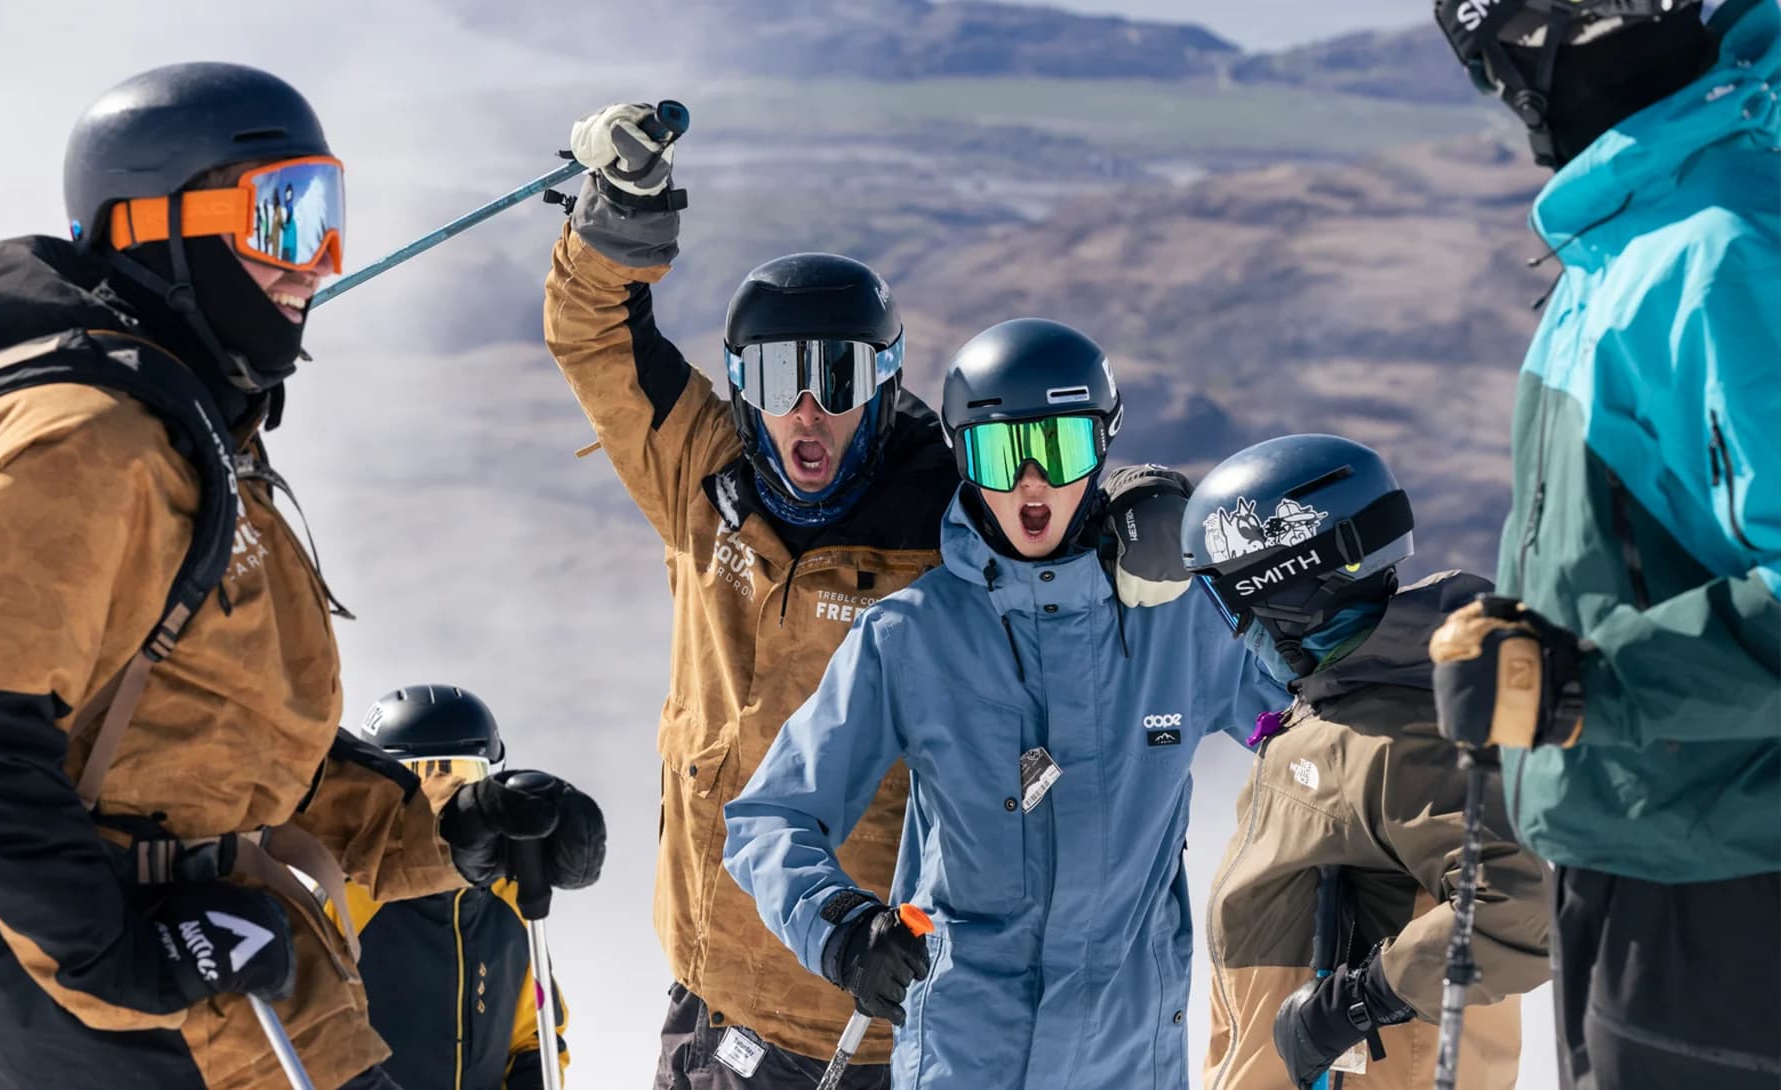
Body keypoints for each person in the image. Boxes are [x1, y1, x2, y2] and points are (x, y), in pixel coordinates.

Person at [0, 62, 602, 1090]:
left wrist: (455, 836)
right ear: (156, 222)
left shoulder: (186, 427)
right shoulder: (76, 440)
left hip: (243, 980)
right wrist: (132, 961)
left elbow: (230, 743)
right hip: (129, 1012)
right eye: (282, 218)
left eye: (325, 219)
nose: (310, 265)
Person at [722, 318, 1288, 1090]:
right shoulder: (913, 639)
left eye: (1060, 451)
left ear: (1105, 446)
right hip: (966, 1057)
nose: (1031, 484)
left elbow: (1311, 726)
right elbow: (772, 818)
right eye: (998, 453)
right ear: (963, 458)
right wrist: (846, 932)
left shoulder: (1176, 621)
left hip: (1128, 1061)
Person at [544, 101, 958, 1088]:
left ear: (888, 383)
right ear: (740, 384)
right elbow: (597, 337)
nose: (806, 408)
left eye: (839, 376)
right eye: (777, 377)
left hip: (867, 1018)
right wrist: (624, 210)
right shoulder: (705, 477)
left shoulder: (948, 532)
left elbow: (1059, 524)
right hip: (710, 990)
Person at [1429, 2, 1781, 1087]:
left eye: (1491, 50)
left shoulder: (1723, 245)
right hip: (1643, 847)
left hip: (1728, 889)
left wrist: (1586, 684)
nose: (1496, 83)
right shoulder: (1630, 237)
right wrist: (1535, 639)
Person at [1181, 434, 1551, 1090]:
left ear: (1279, 590)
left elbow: (1521, 906)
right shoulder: (1335, 713)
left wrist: (1366, 998)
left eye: (1226, 601)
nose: (1233, 629)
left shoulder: (1403, 731)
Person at [332, 685, 581, 1090]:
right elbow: (309, 1034)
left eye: (463, 779)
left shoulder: (510, 902)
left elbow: (534, 1034)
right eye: (419, 782)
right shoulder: (349, 900)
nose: (442, 802)